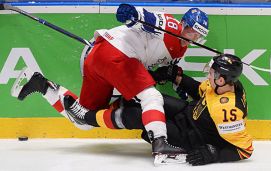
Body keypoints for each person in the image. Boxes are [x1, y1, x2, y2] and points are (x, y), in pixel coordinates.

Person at [13, 3, 209, 156]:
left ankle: (43, 86)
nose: (193, 38)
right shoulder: (171, 25)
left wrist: (179, 87)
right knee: (152, 97)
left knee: (85, 120)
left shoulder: (181, 48)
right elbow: (142, 17)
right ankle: (160, 143)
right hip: (117, 55)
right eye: (191, 31)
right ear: (183, 23)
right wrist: (131, 13)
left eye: (198, 36)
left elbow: (169, 70)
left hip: (99, 58)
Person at [44, 54, 253, 165]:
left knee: (137, 116)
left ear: (222, 79)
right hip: (188, 113)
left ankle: (87, 118)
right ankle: (102, 111)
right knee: (149, 99)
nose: (209, 75)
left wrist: (214, 154)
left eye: (213, 73)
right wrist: (176, 77)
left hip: (190, 136)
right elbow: (201, 92)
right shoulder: (224, 85)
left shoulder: (229, 110)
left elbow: (245, 150)